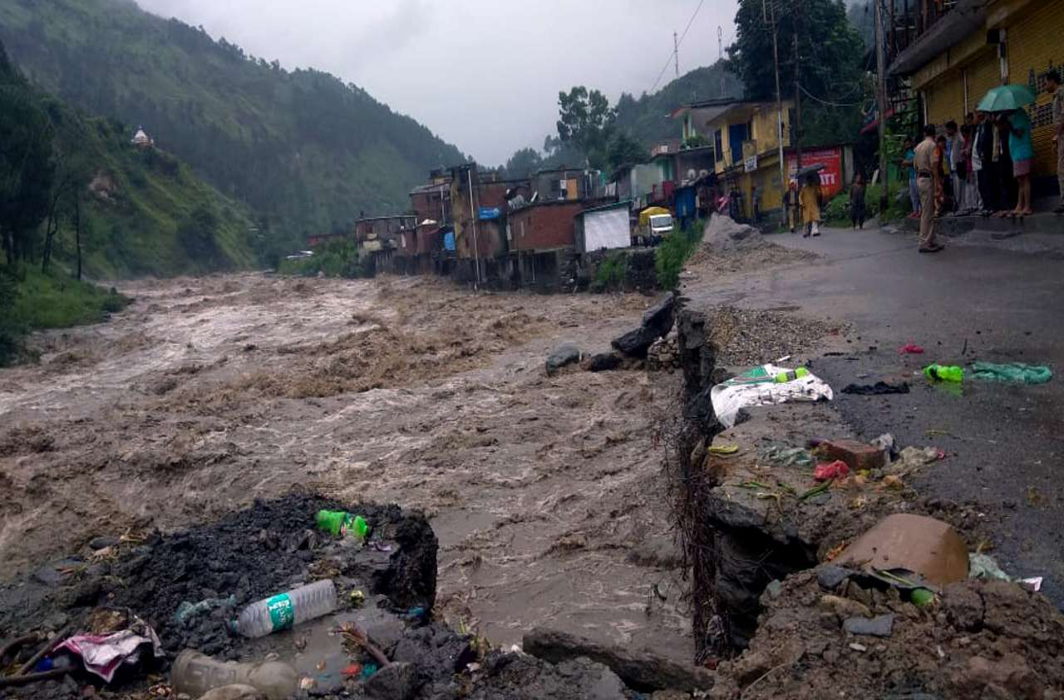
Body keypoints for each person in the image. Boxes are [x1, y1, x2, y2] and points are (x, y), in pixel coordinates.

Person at [914, 124, 943, 253]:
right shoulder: (933, 146)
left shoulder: (918, 147)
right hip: (928, 178)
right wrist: (938, 183)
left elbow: (915, 165)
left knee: (927, 210)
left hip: (919, 178)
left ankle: (930, 239)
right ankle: (925, 241)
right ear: (934, 133)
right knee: (927, 212)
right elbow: (934, 166)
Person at [1008, 107, 1034, 216]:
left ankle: (1027, 206)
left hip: (1022, 152)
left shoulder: (1021, 115)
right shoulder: (1014, 117)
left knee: (1025, 179)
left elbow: (1019, 133)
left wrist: (1010, 126)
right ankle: (1019, 205)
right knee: (1020, 181)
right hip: (1016, 153)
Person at [973, 111, 996, 215]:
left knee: (989, 182)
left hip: (988, 158)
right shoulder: (979, 127)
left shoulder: (988, 125)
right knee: (982, 184)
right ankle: (986, 205)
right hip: (980, 160)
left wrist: (984, 153)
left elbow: (988, 140)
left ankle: (991, 205)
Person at [1047, 70, 1064, 214]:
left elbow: (1063, 116)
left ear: (1053, 81)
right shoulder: (1056, 96)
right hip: (1061, 136)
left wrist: (1056, 137)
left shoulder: (1061, 93)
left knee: (1062, 168)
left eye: (1047, 82)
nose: (1046, 85)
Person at [947, 120, 965, 214]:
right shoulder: (952, 139)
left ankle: (962, 207)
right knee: (956, 189)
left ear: (953, 129)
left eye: (948, 130)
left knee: (960, 188)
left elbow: (962, 148)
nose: (947, 132)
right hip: (953, 168)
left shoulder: (959, 138)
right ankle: (958, 207)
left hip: (959, 166)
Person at [901, 136, 920, 218]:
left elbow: (914, 162)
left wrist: (906, 163)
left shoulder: (914, 151)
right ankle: (915, 210)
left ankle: (919, 210)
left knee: (918, 194)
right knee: (913, 195)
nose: (907, 145)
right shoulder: (907, 153)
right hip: (911, 176)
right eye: (906, 144)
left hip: (916, 175)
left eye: (908, 144)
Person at [799, 171, 822, 238]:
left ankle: (815, 231)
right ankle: (805, 232)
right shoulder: (804, 188)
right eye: (809, 180)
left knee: (815, 218)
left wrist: (818, 187)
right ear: (807, 181)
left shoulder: (814, 187)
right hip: (806, 206)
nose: (810, 181)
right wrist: (801, 203)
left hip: (814, 205)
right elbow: (800, 197)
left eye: (811, 180)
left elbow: (818, 194)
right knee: (806, 221)